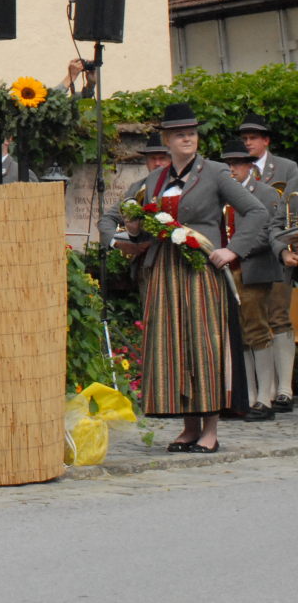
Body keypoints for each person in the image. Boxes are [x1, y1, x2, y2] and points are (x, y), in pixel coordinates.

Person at [110, 103, 266, 453]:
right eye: (180, 134)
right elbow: (140, 227)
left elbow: (256, 211)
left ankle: (210, 430)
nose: (188, 138)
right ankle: (188, 427)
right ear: (166, 140)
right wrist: (132, 231)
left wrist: (233, 250)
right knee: (173, 347)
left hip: (199, 272)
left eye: (192, 133)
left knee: (203, 345)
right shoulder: (155, 180)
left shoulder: (215, 173)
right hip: (163, 272)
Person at [219, 139, 287, 421]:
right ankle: (247, 396)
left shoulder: (265, 193)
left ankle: (264, 398)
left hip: (253, 267)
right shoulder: (222, 194)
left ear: (249, 166)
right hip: (227, 268)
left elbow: (269, 232)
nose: (232, 168)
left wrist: (236, 249)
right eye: (228, 164)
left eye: (237, 163)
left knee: (256, 330)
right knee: (240, 333)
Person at [237, 113, 297, 412]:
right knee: (253, 322)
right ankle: (265, 390)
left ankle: (284, 387)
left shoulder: (286, 168)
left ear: (266, 140)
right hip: (249, 259)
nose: (248, 142)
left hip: (277, 255)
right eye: (245, 138)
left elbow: (289, 212)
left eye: (253, 138)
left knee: (278, 315)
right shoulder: (234, 171)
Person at [98, 131, 171, 252]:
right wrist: (117, 243)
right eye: (152, 159)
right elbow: (107, 219)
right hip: (145, 255)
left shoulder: (181, 185)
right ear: (146, 161)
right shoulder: (137, 188)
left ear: (171, 160)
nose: (157, 163)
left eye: (162, 158)